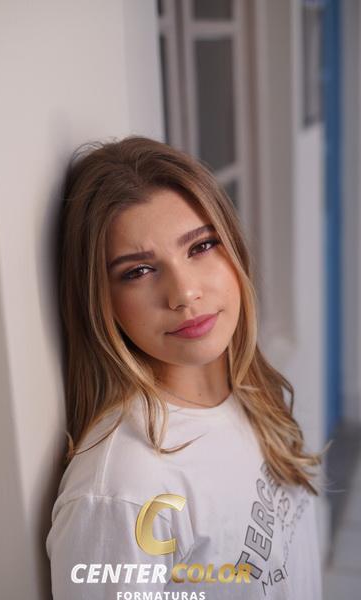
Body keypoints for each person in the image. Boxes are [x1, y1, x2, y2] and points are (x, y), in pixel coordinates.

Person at [46, 136, 329, 599]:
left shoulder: (252, 394)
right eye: (138, 271)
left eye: (201, 246)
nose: (184, 293)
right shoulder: (123, 492)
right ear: (101, 302)